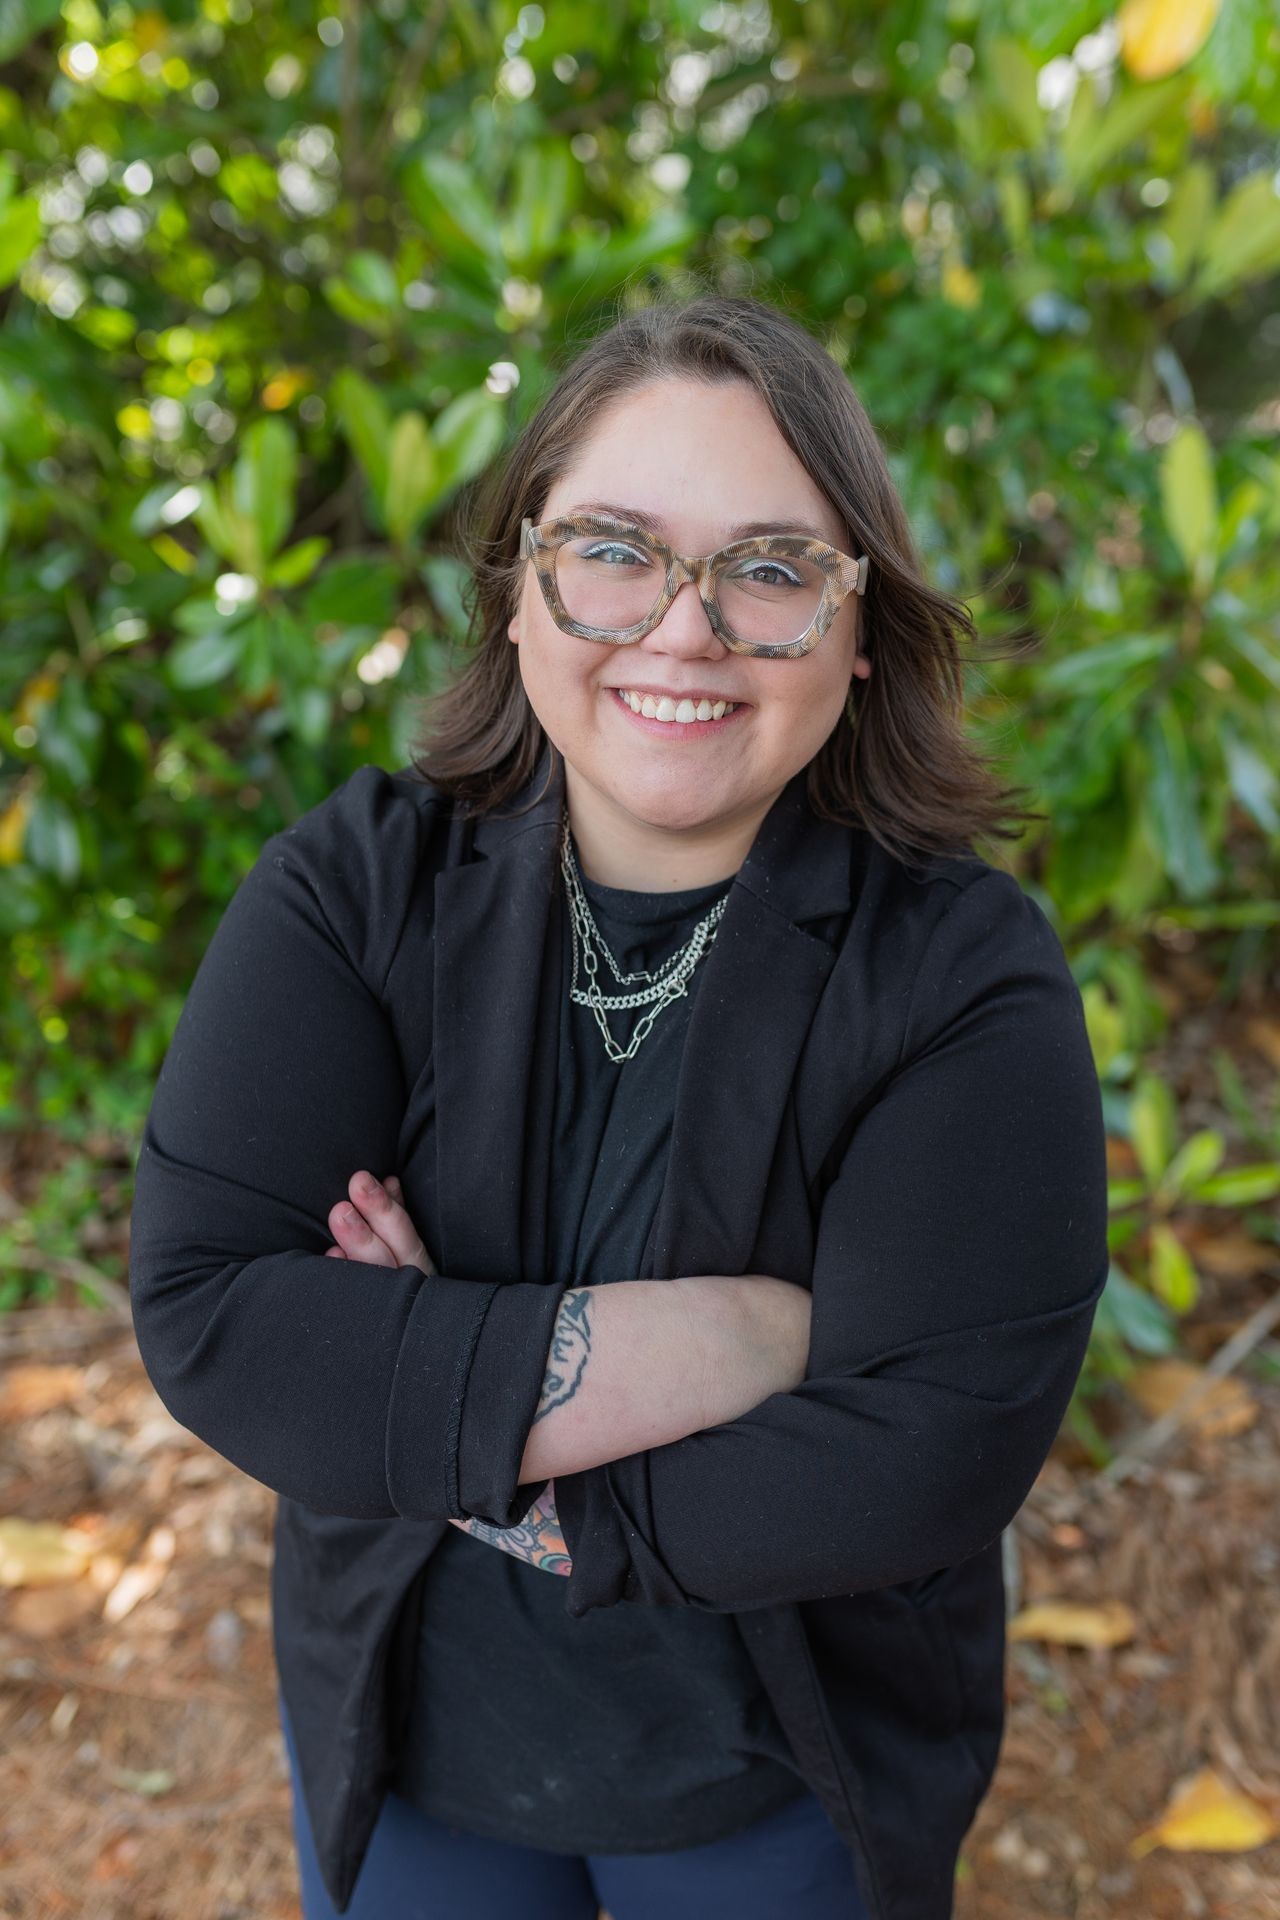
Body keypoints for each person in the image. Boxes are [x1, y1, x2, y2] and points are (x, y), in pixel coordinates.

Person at [128, 290, 1110, 1920]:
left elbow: (916, 1456)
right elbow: (220, 1319)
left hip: (782, 1787)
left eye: (772, 568)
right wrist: (743, 1342)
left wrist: (427, 1387)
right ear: (520, 592)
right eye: (615, 550)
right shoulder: (354, 891)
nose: (685, 627)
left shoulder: (962, 978)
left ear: (856, 633)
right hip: (416, 1746)